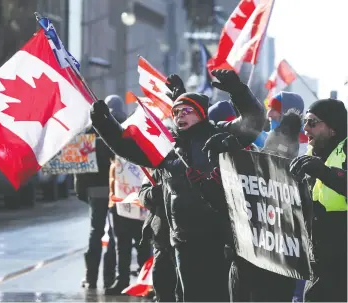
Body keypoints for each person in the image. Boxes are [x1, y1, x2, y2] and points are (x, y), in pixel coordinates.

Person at [90, 69, 265, 301]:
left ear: (202, 114)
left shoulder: (221, 134)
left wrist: (238, 90)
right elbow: (128, 148)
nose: (179, 115)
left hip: (218, 240)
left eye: (186, 110)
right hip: (182, 239)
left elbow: (253, 122)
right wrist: (104, 124)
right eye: (176, 111)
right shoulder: (168, 147)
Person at [290, 98, 347, 302]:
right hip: (318, 263)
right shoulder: (312, 155)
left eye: (312, 122)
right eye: (305, 121)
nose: (305, 128)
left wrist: (325, 173)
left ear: (332, 128)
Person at [75, 95, 127, 290]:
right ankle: (109, 278)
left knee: (95, 232)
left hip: (95, 190)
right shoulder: (125, 127)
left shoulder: (89, 129)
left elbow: (81, 167)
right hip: (118, 190)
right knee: (115, 235)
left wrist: (81, 192)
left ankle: (90, 277)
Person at [105, 156, 152, 295]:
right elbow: (114, 165)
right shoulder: (117, 143)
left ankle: (144, 282)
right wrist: (112, 194)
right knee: (122, 243)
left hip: (138, 201)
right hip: (120, 201)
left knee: (142, 243)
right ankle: (122, 280)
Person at [139, 170, 182, 302]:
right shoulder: (161, 166)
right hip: (162, 238)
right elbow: (142, 193)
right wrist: (152, 194)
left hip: (187, 238)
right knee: (163, 289)